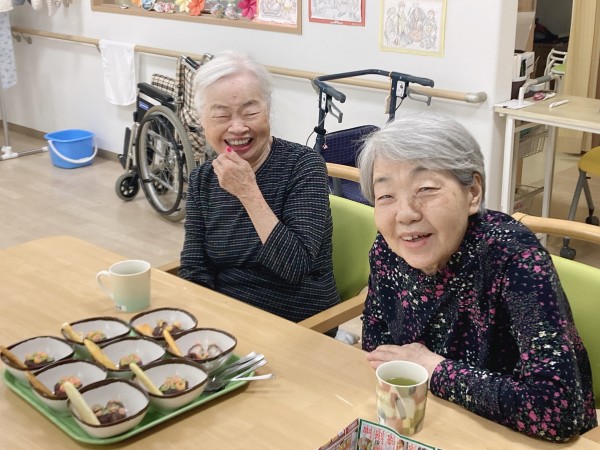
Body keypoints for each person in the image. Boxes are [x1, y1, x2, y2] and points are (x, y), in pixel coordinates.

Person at [357, 113, 597, 441]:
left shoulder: (514, 258)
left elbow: (556, 411)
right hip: (434, 421)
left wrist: (434, 368)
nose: (406, 214)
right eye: (386, 196)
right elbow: (377, 344)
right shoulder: (388, 250)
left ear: (473, 192)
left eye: (425, 189)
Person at [178, 50, 339, 324]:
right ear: (202, 121)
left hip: (296, 319)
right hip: (225, 315)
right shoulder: (202, 179)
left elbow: (295, 268)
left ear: (268, 110)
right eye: (221, 115)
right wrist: (201, 320)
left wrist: (248, 192)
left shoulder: (304, 165)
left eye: (250, 112)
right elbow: (195, 267)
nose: (237, 128)